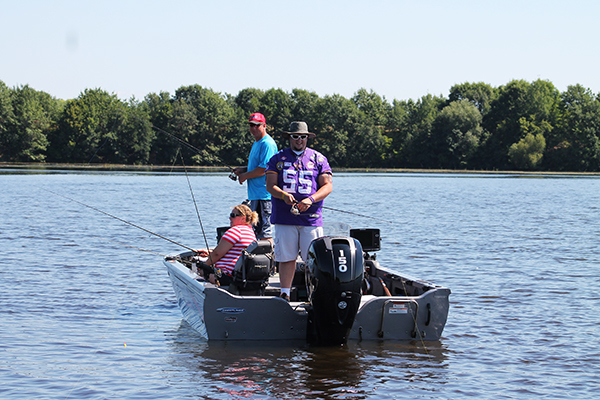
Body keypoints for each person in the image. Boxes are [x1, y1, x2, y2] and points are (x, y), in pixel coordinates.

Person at [265, 121, 333, 301]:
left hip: (311, 219)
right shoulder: (277, 158)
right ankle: (285, 293)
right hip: (284, 217)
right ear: (289, 138)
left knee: (314, 260)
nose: (299, 140)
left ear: (307, 138)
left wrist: (311, 199)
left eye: (303, 137)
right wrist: (283, 195)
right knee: (286, 258)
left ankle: (315, 295)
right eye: (296, 136)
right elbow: (270, 186)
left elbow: (327, 186)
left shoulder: (319, 159)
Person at [233, 112, 278, 241]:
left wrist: (244, 176)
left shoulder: (267, 144)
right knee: (257, 231)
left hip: (264, 195)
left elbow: (264, 169)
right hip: (256, 195)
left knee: (265, 231)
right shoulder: (257, 142)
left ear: (264, 126)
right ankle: (260, 258)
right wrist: (243, 170)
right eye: (251, 125)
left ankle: (268, 259)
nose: (253, 128)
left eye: (257, 125)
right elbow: (258, 166)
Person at [195, 204, 258, 285]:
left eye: (233, 215)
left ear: (243, 218)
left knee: (204, 273)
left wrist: (204, 266)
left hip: (227, 276)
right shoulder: (250, 232)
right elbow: (235, 252)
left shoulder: (235, 231)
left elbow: (217, 254)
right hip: (241, 275)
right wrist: (210, 253)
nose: (230, 218)